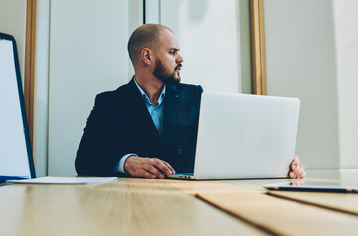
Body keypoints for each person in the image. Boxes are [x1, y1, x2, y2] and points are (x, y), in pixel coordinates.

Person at [75, 24, 306, 179]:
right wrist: (126, 163)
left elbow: (232, 145)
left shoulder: (195, 96)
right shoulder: (109, 103)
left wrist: (281, 162)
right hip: (128, 206)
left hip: (189, 204)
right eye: (173, 52)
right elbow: (84, 160)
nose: (181, 58)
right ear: (147, 56)